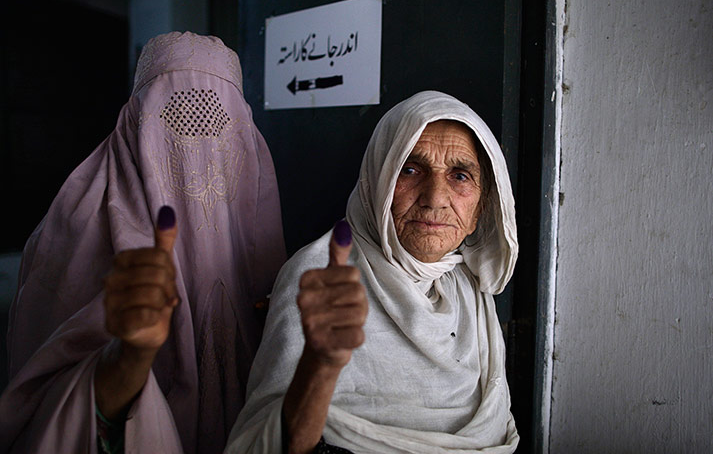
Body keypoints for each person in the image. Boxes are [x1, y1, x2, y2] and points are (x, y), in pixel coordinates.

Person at [0, 32, 286, 453]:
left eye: (216, 122)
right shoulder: (70, 235)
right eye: (177, 120)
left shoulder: (266, 237)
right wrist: (128, 358)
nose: (198, 155)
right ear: (133, 124)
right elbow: (40, 406)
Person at [226, 91, 519, 453]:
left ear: (479, 211)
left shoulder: (468, 291)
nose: (435, 197)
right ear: (378, 182)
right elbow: (268, 442)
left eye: (460, 176)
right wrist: (320, 365)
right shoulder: (321, 276)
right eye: (411, 170)